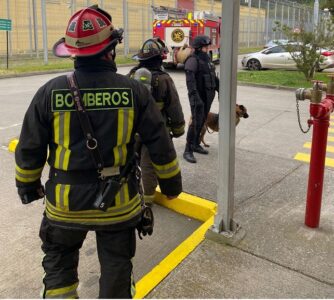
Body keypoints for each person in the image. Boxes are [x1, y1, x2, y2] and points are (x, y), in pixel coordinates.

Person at [14, 6, 182, 299]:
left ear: (72, 52)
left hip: (64, 206)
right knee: (117, 268)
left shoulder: (49, 92)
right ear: (111, 49)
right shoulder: (134, 92)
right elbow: (160, 143)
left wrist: (27, 187)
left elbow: (30, 147)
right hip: (118, 206)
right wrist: (171, 185)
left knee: (59, 269)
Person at [128, 38, 185, 205]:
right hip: (155, 131)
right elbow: (174, 107)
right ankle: (147, 199)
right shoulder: (164, 79)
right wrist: (178, 129)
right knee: (149, 165)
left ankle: (135, 195)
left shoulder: (131, 76)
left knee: (131, 162)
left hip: (133, 130)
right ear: (160, 58)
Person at [183, 35, 219, 163]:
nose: (207, 48)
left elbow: (213, 77)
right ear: (198, 48)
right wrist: (195, 97)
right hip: (197, 98)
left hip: (207, 97)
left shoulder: (207, 60)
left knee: (202, 121)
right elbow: (190, 81)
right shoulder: (193, 60)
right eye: (205, 47)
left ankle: (196, 144)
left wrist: (220, 90)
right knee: (195, 123)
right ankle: (188, 150)